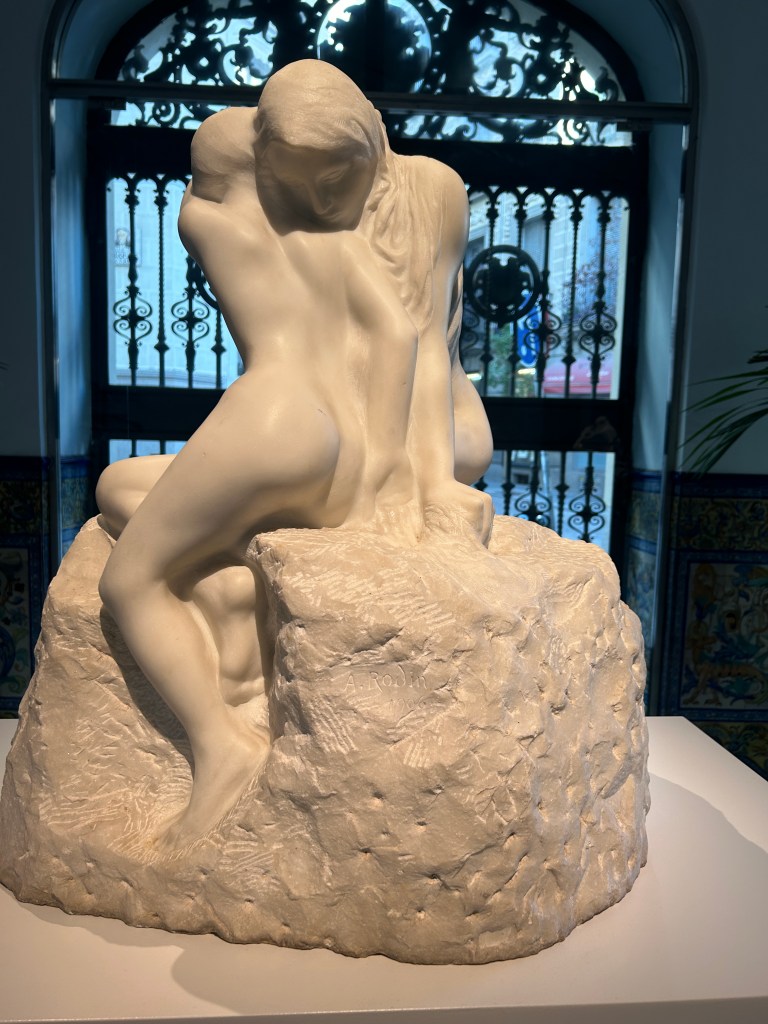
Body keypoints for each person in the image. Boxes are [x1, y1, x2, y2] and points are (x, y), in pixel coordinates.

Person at [97, 60, 493, 848]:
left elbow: (415, 341)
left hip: (274, 423)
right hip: (334, 444)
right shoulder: (335, 243)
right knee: (119, 489)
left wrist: (418, 479)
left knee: (128, 579)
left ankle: (221, 745)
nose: (321, 196)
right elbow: (399, 333)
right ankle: (236, 577)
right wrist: (380, 472)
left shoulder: (208, 221)